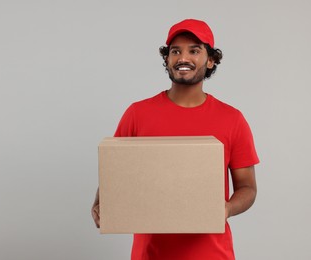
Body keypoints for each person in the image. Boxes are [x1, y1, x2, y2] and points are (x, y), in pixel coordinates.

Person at [91, 18, 259, 260]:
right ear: (167, 59)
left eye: (194, 50)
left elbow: (247, 187)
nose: (183, 58)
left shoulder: (232, 119)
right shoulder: (138, 113)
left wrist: (226, 208)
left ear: (210, 60)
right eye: (175, 51)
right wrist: (101, 203)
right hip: (150, 254)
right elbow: (115, 173)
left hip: (212, 254)